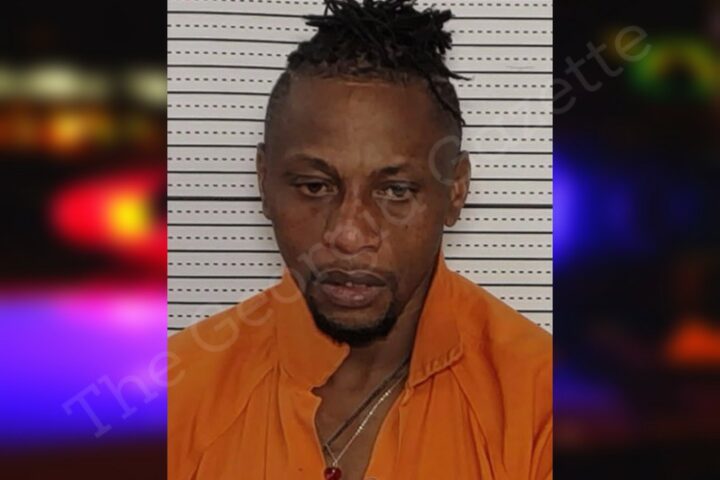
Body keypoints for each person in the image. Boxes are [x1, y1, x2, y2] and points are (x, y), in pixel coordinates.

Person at [168, 1, 551, 479]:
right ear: (264, 181)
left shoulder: (540, 401)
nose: (349, 235)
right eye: (315, 187)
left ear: (455, 191)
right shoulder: (176, 394)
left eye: (396, 191)